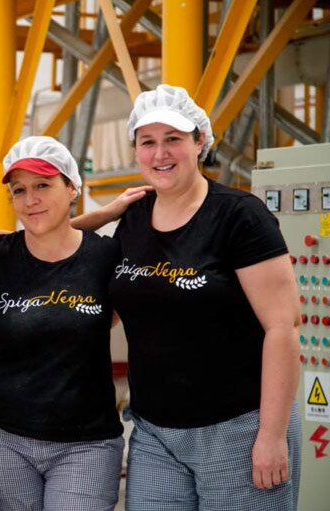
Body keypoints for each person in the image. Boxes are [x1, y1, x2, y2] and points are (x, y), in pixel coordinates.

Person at [104, 84, 301, 510]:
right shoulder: (133, 220)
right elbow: (65, 253)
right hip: (154, 434)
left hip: (238, 429)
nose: (160, 154)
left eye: (173, 139)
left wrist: (272, 435)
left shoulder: (239, 216)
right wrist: (102, 214)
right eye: (148, 142)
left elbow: (282, 327)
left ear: (199, 142)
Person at [0, 136, 125, 511]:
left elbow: (117, 320)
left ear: (72, 188)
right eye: (20, 190)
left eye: (43, 185)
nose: (30, 199)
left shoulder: (106, 258)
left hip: (87, 442)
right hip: (3, 436)